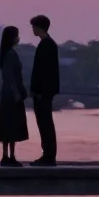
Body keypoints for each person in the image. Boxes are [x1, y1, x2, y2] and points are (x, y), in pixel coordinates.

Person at [0, 25, 30, 166]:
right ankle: (10, 156)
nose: (18, 37)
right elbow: (10, 76)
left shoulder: (6, 53)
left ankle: (7, 156)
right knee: (12, 124)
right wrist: (16, 92)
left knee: (7, 124)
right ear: (13, 37)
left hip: (7, 93)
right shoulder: (10, 54)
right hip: (11, 94)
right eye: (17, 35)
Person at [28, 14, 60, 166]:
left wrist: (40, 91)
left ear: (39, 27)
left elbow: (46, 72)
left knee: (45, 122)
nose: (32, 29)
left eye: (33, 26)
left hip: (43, 92)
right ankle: (48, 153)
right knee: (45, 122)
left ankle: (48, 155)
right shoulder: (47, 44)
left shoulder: (47, 45)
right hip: (43, 91)